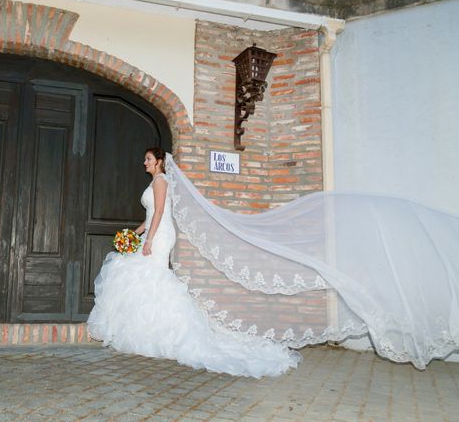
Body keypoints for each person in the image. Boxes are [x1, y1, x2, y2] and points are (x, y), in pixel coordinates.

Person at [87, 147, 300, 377]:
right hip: (153, 232)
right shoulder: (155, 182)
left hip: (159, 236)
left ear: (159, 161)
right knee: (146, 278)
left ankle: (166, 332)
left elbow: (159, 213)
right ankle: (153, 329)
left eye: (148, 159)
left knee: (151, 276)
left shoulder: (160, 181)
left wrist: (148, 240)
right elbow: (149, 218)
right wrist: (132, 234)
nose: (144, 162)